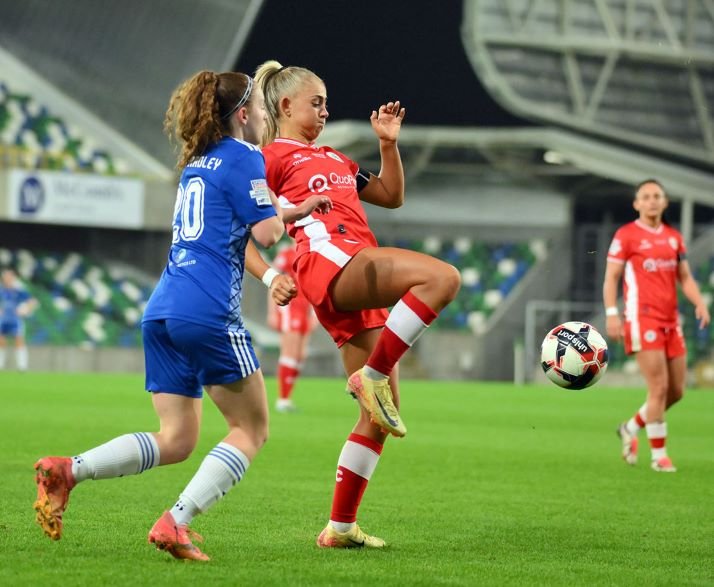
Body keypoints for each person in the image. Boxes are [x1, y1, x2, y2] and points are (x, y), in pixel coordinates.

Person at [32, 69, 330, 561]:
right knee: (251, 429)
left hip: (164, 310)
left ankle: (68, 470)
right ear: (242, 115)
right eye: (257, 110)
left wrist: (291, 207)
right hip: (208, 310)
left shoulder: (199, 161)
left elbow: (236, 213)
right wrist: (289, 216)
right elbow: (267, 236)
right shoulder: (245, 155)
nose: (261, 117)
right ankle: (176, 522)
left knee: (176, 439)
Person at [255, 61, 461, 548]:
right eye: (316, 102)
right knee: (442, 277)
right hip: (331, 262)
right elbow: (242, 225)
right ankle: (369, 376)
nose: (326, 111)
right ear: (285, 106)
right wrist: (267, 276)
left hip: (353, 267)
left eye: (327, 102)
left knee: (378, 417)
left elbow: (391, 196)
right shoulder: (269, 159)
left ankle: (340, 528)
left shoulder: (337, 158)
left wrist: (388, 144)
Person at [603, 179, 710, 473]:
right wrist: (612, 313)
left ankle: (629, 427)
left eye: (657, 196)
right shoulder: (626, 236)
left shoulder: (674, 238)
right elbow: (612, 277)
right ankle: (659, 456)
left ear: (664, 202)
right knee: (659, 387)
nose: (651, 201)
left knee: (677, 391)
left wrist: (699, 302)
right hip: (642, 318)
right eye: (646, 197)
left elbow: (685, 277)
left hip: (670, 321)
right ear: (637, 204)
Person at [266, 242, 319, 412]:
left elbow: (316, 285)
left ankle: (287, 398)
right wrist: (272, 312)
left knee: (300, 355)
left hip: (306, 307)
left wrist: (315, 314)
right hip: (291, 306)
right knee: (289, 352)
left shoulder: (312, 253)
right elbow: (273, 282)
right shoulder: (287, 254)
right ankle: (283, 399)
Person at [0, 267, 38, 371]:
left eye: (10, 276)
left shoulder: (19, 291)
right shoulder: (1, 291)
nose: (7, 278)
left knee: (19, 340)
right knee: (1, 341)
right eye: (5, 276)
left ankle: (22, 366)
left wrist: (26, 310)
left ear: (13, 278)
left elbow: (33, 301)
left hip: (15, 320)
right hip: (2, 319)